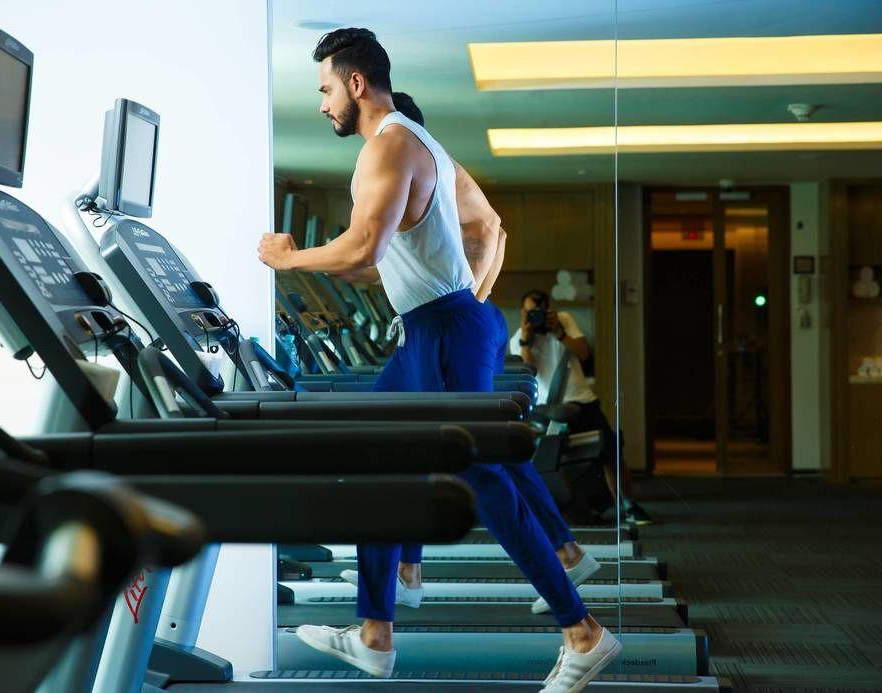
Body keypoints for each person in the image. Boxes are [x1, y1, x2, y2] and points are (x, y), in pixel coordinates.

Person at [257, 28, 620, 692]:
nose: (322, 104)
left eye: (325, 89)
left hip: (445, 329)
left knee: (485, 480)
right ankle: (376, 629)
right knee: (377, 451)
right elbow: (385, 262)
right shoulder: (407, 144)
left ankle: (581, 630)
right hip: (431, 327)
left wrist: (289, 259)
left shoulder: (391, 145)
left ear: (355, 83)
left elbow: (363, 246)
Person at [337, 91, 602, 620]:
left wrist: (469, 298)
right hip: (443, 323)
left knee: (477, 455)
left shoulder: (423, 163)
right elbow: (392, 258)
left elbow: (491, 231)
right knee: (407, 443)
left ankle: (571, 586)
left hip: (453, 323)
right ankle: (405, 578)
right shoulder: (419, 174)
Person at [510, 290, 654, 526]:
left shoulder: (564, 320)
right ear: (522, 313)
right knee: (553, 458)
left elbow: (584, 353)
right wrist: (527, 338)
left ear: (549, 310)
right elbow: (528, 373)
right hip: (548, 411)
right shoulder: (518, 338)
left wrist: (558, 332)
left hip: (582, 400)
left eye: (540, 312)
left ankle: (627, 504)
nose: (535, 317)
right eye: (529, 313)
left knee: (610, 446)